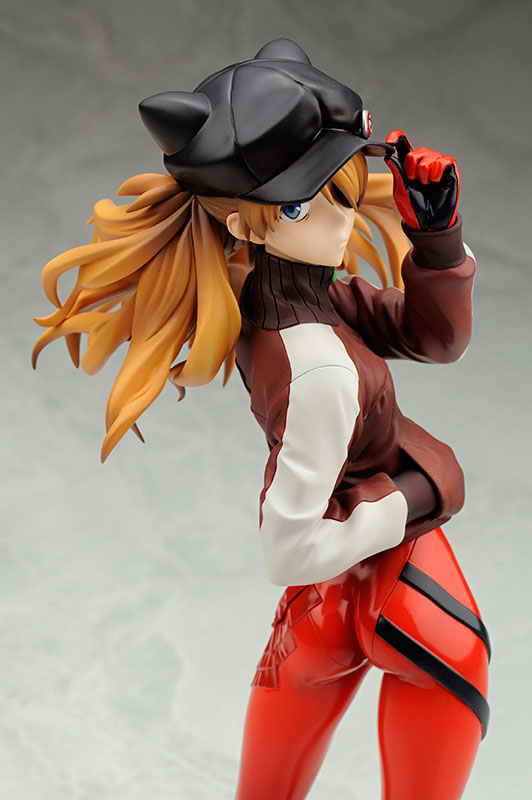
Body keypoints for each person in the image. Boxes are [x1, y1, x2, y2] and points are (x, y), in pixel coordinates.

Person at [33, 38, 489, 800]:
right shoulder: (315, 364)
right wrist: (416, 494)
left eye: (342, 189)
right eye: (306, 204)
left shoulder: (290, 294)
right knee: (457, 669)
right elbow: (289, 547)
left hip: (327, 603)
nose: (343, 217)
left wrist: (437, 240)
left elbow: (432, 338)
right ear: (249, 224)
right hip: (378, 575)